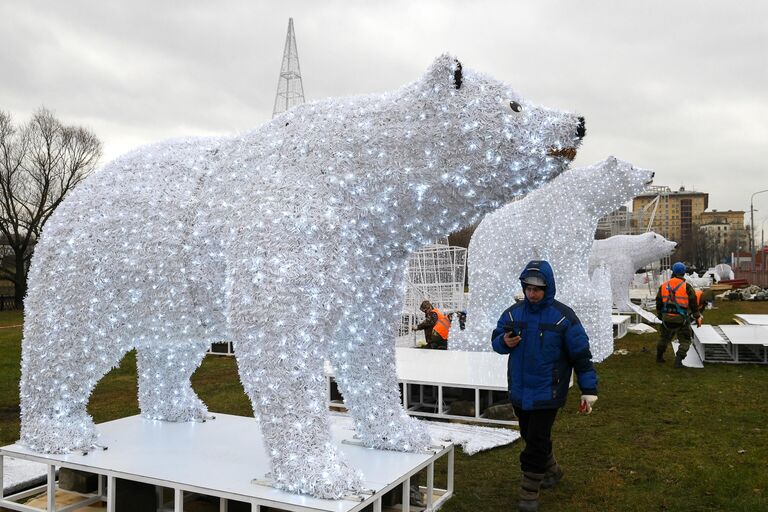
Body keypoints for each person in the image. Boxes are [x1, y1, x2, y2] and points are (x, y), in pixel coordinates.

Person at [491, 260, 598, 512]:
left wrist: (589, 389)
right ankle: (552, 470)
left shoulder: (564, 317)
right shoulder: (512, 314)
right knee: (530, 435)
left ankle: (529, 493)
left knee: (535, 442)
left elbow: (581, 356)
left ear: (548, 288)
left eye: (538, 289)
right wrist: (504, 341)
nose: (532, 293)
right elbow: (496, 340)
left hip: (549, 391)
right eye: (528, 288)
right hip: (520, 391)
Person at [655, 261, 702, 368]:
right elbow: (694, 304)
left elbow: (658, 302)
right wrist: (697, 317)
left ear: (673, 272)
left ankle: (659, 357)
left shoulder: (663, 286)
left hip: (666, 318)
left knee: (664, 338)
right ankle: (678, 360)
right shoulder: (687, 287)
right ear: (684, 272)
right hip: (681, 319)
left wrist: (660, 315)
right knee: (685, 340)